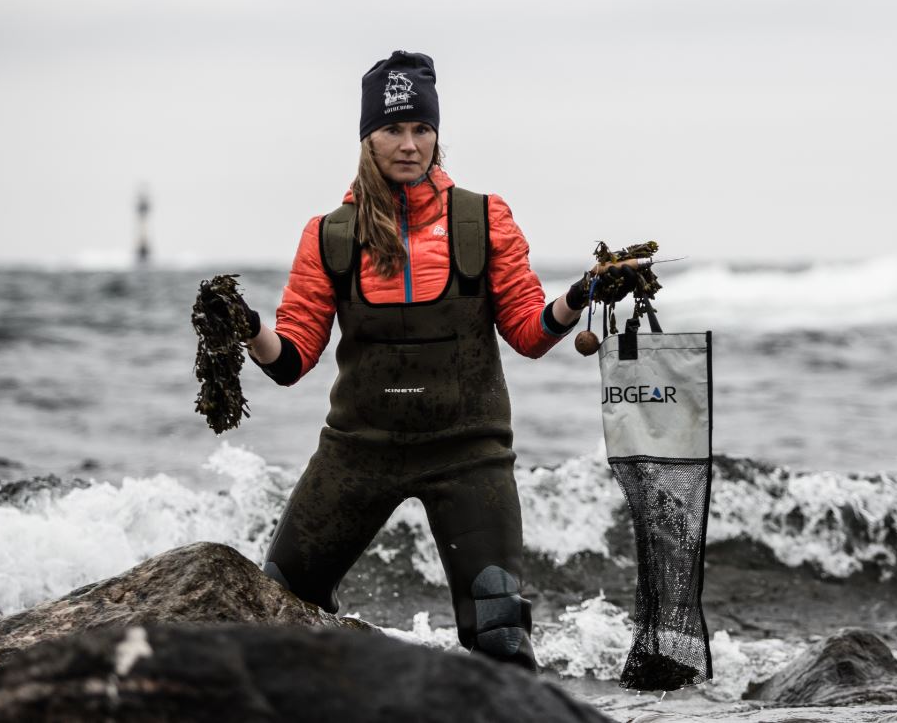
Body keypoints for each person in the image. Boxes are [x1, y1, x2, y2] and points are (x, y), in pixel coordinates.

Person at [232, 51, 628, 673]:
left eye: (421, 128)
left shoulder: (483, 218)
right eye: (393, 129)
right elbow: (291, 361)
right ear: (367, 138)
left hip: (468, 453)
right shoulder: (329, 235)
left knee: (500, 634)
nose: (410, 144)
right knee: (281, 603)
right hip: (358, 451)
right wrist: (249, 329)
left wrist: (579, 297)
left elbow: (527, 332)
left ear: (437, 135)